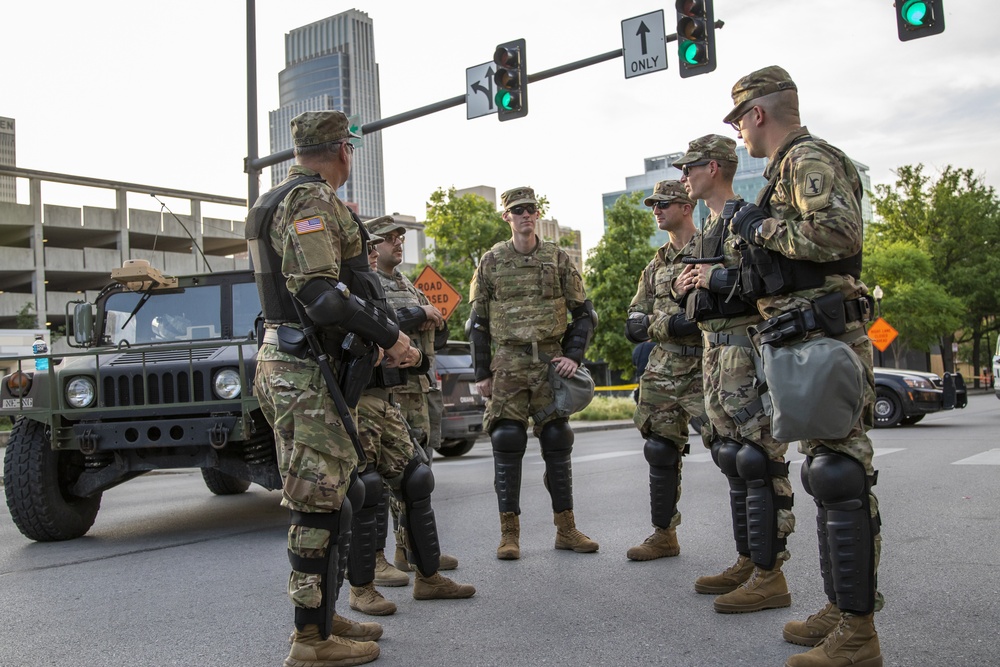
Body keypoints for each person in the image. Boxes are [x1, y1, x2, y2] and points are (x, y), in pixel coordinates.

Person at [723, 66, 882, 667]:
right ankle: (843, 611)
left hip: (823, 335)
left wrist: (758, 226)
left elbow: (838, 233)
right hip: (800, 336)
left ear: (758, 114)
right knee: (824, 472)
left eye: (740, 120)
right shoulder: (783, 170)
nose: (739, 133)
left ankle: (859, 634)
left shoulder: (805, 159)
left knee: (841, 474)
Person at [245, 109, 413, 667]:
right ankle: (310, 641)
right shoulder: (310, 202)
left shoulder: (279, 198)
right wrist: (391, 336)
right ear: (343, 150)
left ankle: (322, 615)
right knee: (317, 504)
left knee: (335, 496)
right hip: (303, 365)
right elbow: (320, 293)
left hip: (291, 361)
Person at [672, 134, 795, 613]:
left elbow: (768, 281)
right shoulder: (707, 228)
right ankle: (749, 560)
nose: (685, 177)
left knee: (760, 460)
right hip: (714, 353)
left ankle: (771, 573)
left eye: (690, 168)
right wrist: (685, 287)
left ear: (716, 167)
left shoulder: (746, 220)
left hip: (747, 350)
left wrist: (713, 278)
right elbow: (694, 299)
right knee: (732, 458)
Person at [346, 233, 475, 617]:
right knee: (366, 489)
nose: (373, 252)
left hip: (387, 397)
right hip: (357, 399)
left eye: (373, 248)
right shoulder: (338, 286)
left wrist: (412, 353)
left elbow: (400, 334)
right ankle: (363, 586)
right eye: (368, 247)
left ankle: (428, 577)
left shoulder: (378, 287)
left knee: (416, 478)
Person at [468, 186, 599, 560]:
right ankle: (509, 535)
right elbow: (477, 322)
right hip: (508, 362)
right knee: (507, 440)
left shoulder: (556, 258)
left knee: (557, 439)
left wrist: (574, 355)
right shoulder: (491, 261)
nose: (526, 215)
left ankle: (567, 529)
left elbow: (584, 313)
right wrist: (481, 373)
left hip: (550, 361)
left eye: (531, 209)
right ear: (506, 216)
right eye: (518, 210)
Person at [365, 215, 459, 583]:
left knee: (417, 474)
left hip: (419, 389)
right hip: (390, 391)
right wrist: (420, 313)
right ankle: (378, 558)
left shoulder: (406, 282)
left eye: (400, 237)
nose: (397, 243)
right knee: (381, 476)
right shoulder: (370, 283)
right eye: (389, 239)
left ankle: (411, 549)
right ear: (372, 245)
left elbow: (438, 327)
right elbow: (382, 322)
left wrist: (430, 316)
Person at [624, 180, 712, 561]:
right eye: (653, 205)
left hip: (706, 365)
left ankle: (751, 555)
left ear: (686, 206)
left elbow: (704, 318)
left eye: (664, 203)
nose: (656, 210)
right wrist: (672, 322)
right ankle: (664, 534)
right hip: (662, 368)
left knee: (734, 453)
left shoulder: (711, 249)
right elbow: (632, 325)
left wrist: (662, 322)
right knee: (659, 450)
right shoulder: (656, 264)